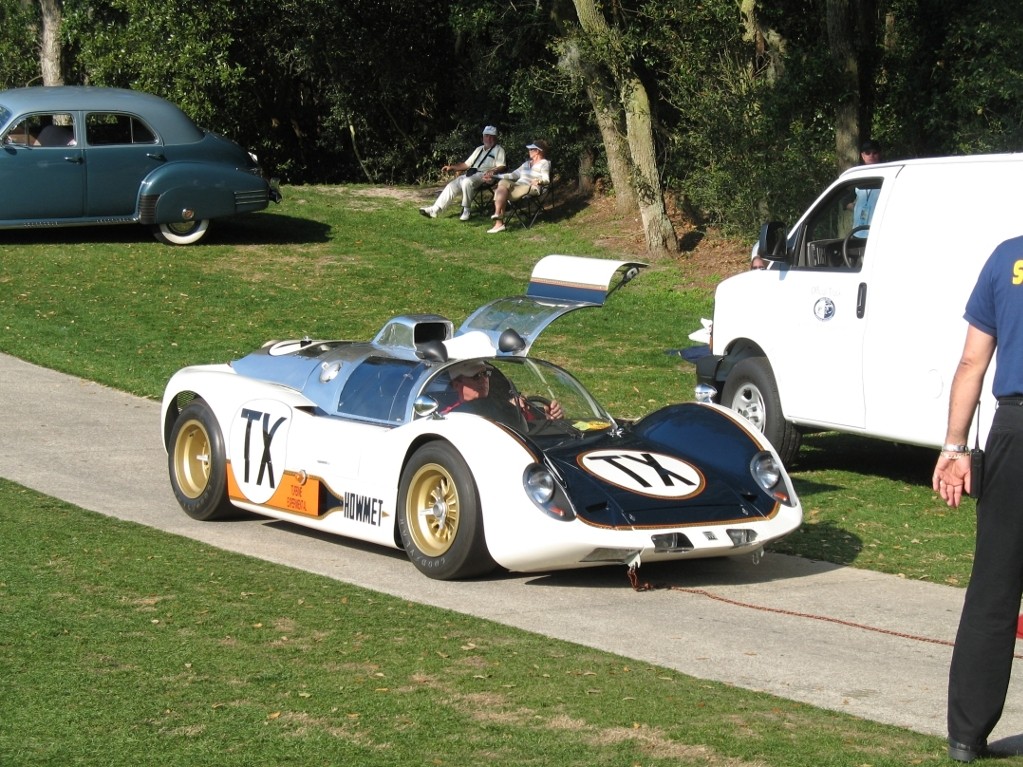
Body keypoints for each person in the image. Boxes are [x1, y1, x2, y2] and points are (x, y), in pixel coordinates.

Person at [932, 234, 1023, 762]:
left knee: (994, 583)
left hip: (1014, 427)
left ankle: (967, 734)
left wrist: (954, 446)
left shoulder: (1008, 257)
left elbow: (972, 362)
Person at [420, 126, 506, 222]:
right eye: (486, 136)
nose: (488, 138)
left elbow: (502, 166)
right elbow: (466, 164)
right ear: (483, 137)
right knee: (451, 185)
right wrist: (452, 167)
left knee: (466, 182)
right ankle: (435, 209)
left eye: (491, 136)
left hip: (486, 176)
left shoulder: (499, 149)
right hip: (472, 174)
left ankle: (467, 210)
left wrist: (493, 171)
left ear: (495, 138)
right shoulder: (479, 149)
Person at [441, 360, 563, 425]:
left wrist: (548, 418)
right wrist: (509, 409)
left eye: (485, 374)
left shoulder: (503, 404)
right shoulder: (451, 415)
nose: (484, 380)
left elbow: (533, 428)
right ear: (456, 384)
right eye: (476, 376)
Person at [485, 141, 550, 234]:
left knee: (503, 191)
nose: (529, 151)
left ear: (538, 151)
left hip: (531, 187)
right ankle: (497, 216)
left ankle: (498, 222)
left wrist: (539, 181)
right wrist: (494, 176)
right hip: (519, 185)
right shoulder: (526, 164)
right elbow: (512, 175)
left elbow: (546, 179)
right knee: (502, 183)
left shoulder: (544, 163)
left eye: (531, 149)